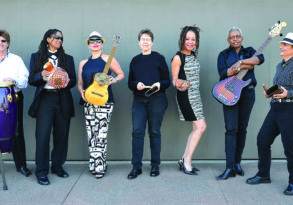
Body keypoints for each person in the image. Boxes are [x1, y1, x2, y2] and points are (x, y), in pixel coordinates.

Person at [246, 33, 293, 195]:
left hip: (289, 110)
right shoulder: (280, 66)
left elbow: (288, 91)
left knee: (290, 148)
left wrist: (289, 94)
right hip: (275, 108)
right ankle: (263, 174)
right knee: (262, 140)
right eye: (282, 44)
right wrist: (270, 92)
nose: (281, 46)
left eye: (285, 45)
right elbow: (279, 86)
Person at [28, 29, 76, 185]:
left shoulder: (68, 59)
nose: (59, 40)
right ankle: (41, 171)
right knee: (42, 136)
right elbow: (32, 80)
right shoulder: (37, 57)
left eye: (61, 38)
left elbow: (74, 81)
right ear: (48, 39)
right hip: (45, 100)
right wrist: (41, 75)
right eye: (56, 37)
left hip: (62, 98)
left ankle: (57, 166)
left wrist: (66, 80)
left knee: (61, 135)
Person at [216, 27, 264, 180]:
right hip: (229, 95)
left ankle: (237, 163)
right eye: (232, 37)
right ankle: (229, 167)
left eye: (237, 36)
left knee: (242, 129)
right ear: (228, 40)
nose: (235, 39)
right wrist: (245, 66)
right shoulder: (223, 55)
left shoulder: (249, 50)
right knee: (231, 129)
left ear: (241, 38)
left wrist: (242, 62)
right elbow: (224, 73)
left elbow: (259, 59)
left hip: (247, 94)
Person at [78, 31, 124, 179]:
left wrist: (112, 80)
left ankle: (100, 166)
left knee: (101, 135)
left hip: (105, 102)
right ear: (88, 44)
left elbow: (121, 74)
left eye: (98, 41)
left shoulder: (108, 59)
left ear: (102, 44)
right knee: (91, 135)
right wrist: (82, 93)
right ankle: (94, 163)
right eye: (92, 41)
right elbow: (80, 83)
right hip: (88, 102)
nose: (95, 43)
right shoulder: (83, 63)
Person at [127, 29, 170, 179]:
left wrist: (159, 84)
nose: (145, 41)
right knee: (137, 132)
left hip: (157, 99)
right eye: (142, 39)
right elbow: (130, 83)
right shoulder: (135, 60)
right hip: (139, 100)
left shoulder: (159, 58)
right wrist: (136, 84)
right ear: (139, 43)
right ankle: (136, 167)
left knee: (154, 132)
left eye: (148, 39)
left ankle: (155, 165)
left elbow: (167, 81)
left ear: (152, 42)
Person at [171, 25, 206, 175]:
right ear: (182, 40)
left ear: (196, 42)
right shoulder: (178, 57)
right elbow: (174, 80)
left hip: (195, 96)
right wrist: (181, 84)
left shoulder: (193, 56)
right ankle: (187, 161)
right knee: (201, 126)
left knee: (196, 128)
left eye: (193, 39)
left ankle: (184, 159)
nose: (190, 42)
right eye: (188, 39)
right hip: (186, 96)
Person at [0, 30, 31, 177]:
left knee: (17, 131)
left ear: (8, 43)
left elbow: (24, 81)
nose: (0, 44)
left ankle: (21, 165)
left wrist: (13, 80)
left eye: (3, 41)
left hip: (13, 97)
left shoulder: (16, 60)